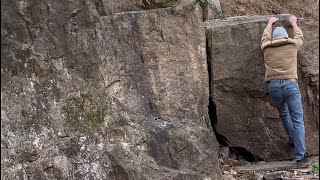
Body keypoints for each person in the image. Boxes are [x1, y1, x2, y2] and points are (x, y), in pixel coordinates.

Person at [261, 15, 309, 165]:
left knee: (283, 113)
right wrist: (294, 24)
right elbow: (300, 37)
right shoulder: (292, 44)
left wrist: (269, 23)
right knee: (297, 120)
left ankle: (293, 139)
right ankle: (300, 157)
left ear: (274, 38)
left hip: (273, 86)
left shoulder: (266, 47)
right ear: (285, 37)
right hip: (290, 84)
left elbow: (264, 37)